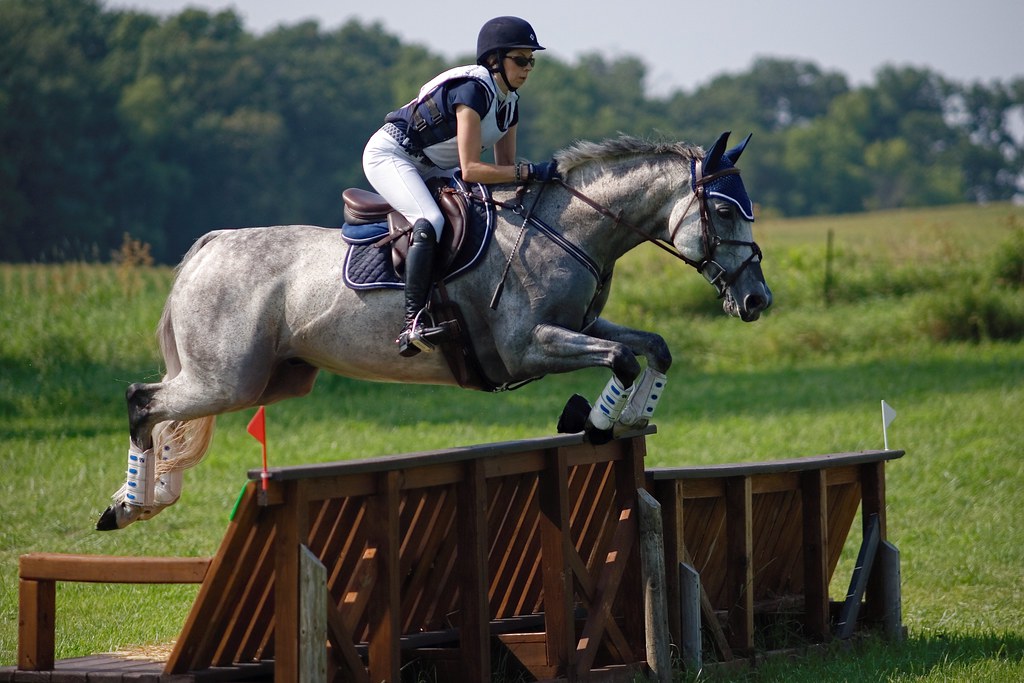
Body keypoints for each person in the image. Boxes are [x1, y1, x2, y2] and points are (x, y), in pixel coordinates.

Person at [362, 16, 561, 357]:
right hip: (393, 155)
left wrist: (537, 180)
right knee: (431, 221)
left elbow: (504, 171)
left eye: (532, 61)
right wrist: (530, 171)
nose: (528, 68)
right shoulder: (474, 91)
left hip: (433, 166)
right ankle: (412, 323)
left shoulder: (509, 103)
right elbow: (471, 169)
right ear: (495, 61)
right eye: (521, 60)